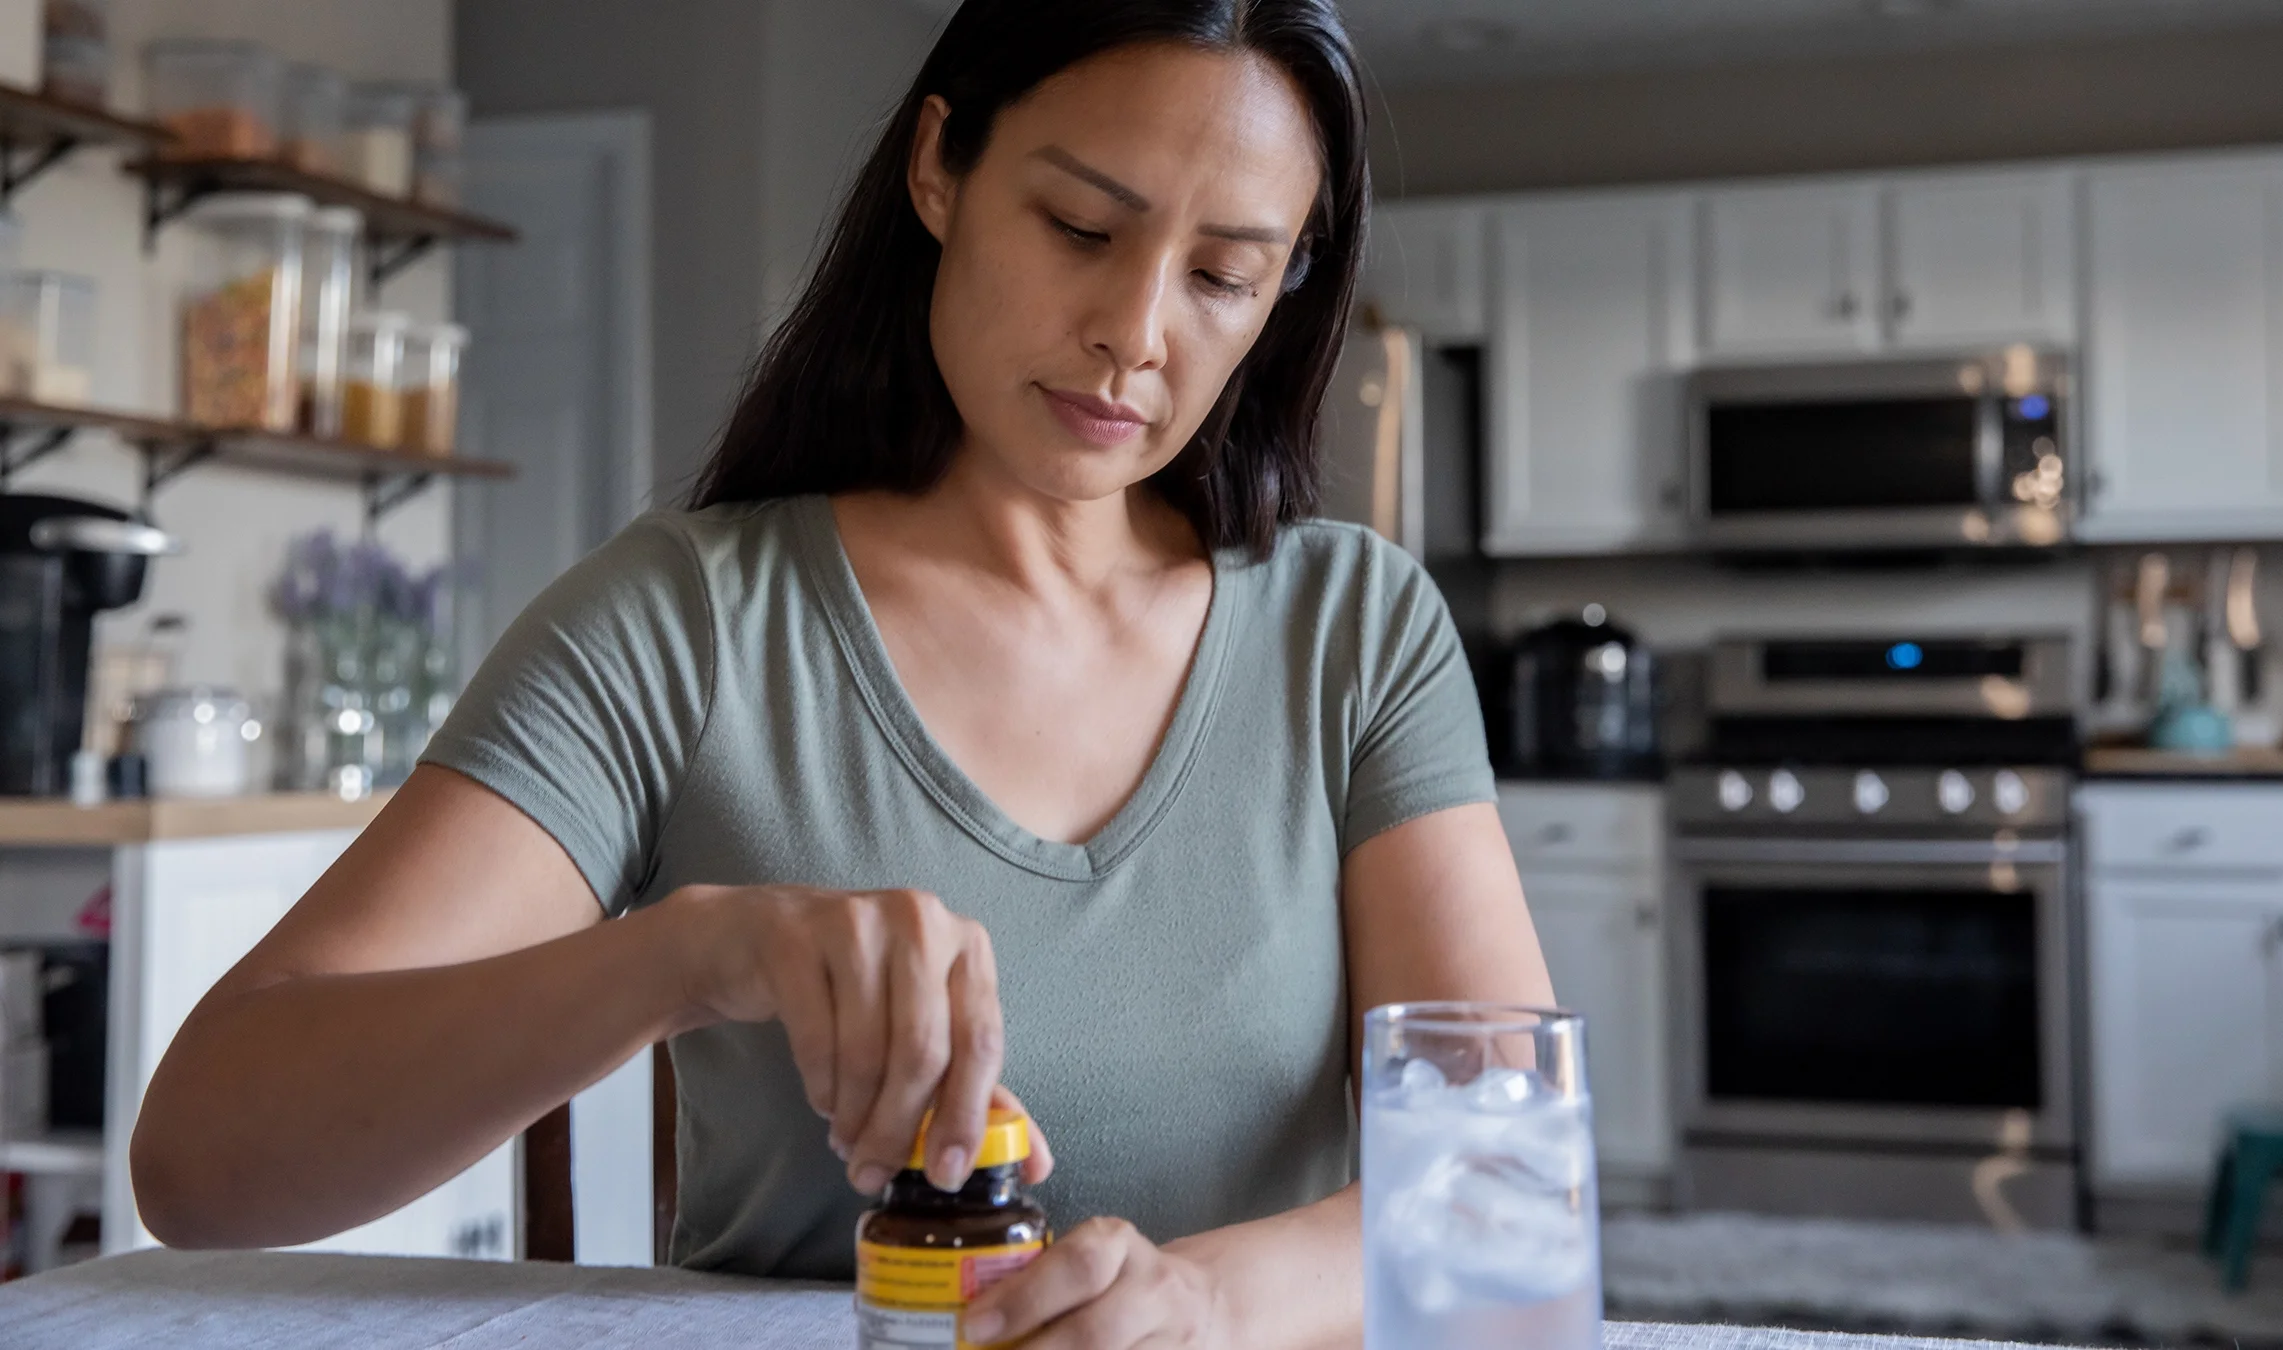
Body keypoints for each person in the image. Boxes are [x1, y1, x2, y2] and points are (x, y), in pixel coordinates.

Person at [131, 1, 1553, 1344]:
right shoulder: (681, 625)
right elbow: (202, 1159)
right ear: (940, 168)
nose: (1136, 330)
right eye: (1078, 226)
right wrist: (687, 952)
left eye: (1222, 275)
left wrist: (1203, 1305)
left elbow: (1514, 1185)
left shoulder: (1356, 632)